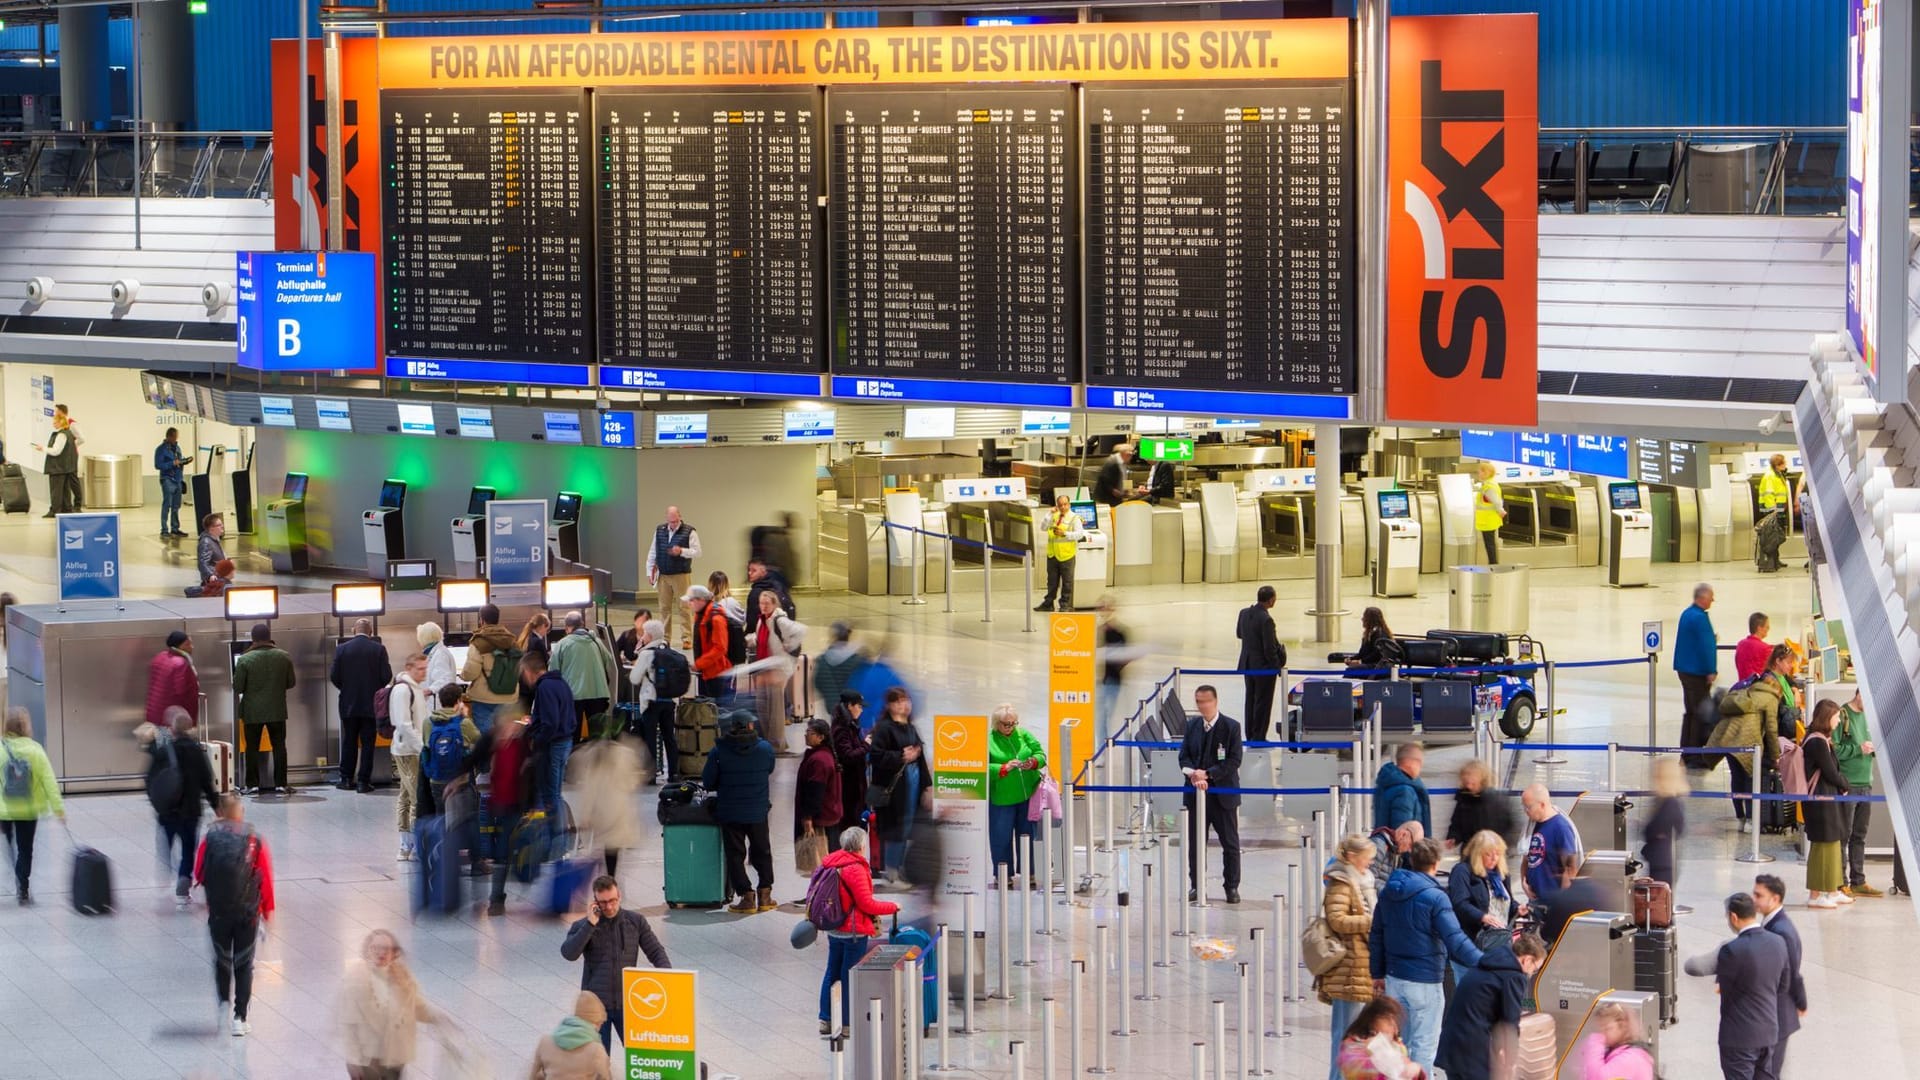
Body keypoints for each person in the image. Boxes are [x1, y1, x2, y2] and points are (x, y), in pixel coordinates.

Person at [1368, 838, 1482, 1073]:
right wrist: (1485, 961)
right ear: (1436, 862)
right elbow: (1456, 940)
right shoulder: (1435, 897)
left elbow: (1376, 934)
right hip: (1425, 981)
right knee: (1424, 1047)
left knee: (1401, 1047)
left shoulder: (1389, 891)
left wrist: (1377, 973)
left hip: (1394, 980)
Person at [1682, 892, 1789, 1080]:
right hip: (1769, 1032)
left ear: (1733, 917)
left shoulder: (1732, 949)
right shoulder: (1779, 942)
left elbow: (1693, 967)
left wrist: (1724, 946)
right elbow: (1784, 985)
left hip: (1739, 1038)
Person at [193, 794, 275, 1037]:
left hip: (218, 913)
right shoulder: (254, 840)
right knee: (244, 964)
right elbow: (266, 880)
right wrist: (268, 912)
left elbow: (199, 873)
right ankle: (240, 1018)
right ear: (240, 813)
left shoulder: (210, 839)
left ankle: (223, 1006)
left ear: (220, 814)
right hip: (247, 914)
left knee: (221, 961)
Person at [561, 875, 671, 1052]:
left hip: (628, 1005)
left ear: (619, 896)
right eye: (603, 903)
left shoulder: (635, 922)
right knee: (598, 1062)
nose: (609, 906)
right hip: (595, 1008)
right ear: (595, 902)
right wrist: (590, 925)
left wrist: (670, 979)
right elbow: (569, 953)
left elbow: (656, 952)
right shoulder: (584, 926)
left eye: (612, 900)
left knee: (640, 1055)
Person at [817, 826, 902, 1037]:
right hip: (853, 932)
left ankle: (826, 1018)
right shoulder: (856, 868)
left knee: (832, 972)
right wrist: (892, 906)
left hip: (833, 926)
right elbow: (867, 904)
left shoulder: (830, 862)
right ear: (861, 846)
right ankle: (846, 1023)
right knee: (849, 976)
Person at [1433, 931, 1548, 1080]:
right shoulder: (1514, 976)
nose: (1532, 973)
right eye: (1535, 968)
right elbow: (1510, 1021)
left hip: (1453, 1044)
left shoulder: (1489, 963)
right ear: (1526, 960)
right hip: (1473, 1052)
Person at [335, 929, 444, 1079]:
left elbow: (416, 1006)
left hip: (394, 1056)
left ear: (394, 953)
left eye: (386, 949)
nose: (381, 953)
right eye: (376, 948)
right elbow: (348, 1025)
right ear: (367, 951)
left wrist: (437, 1017)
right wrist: (353, 1059)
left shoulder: (402, 978)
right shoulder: (354, 981)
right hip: (368, 1059)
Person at [141, 706, 220, 906]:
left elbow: (150, 779)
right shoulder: (197, 752)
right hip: (191, 811)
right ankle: (184, 878)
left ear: (173, 730)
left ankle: (167, 870)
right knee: (188, 848)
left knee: (166, 843)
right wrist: (217, 807)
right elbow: (207, 782)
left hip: (168, 811)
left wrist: (156, 803)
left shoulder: (164, 751)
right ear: (191, 729)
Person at [703, 710, 777, 914]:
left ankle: (746, 897)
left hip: (730, 812)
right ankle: (765, 894)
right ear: (750, 726)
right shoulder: (765, 749)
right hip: (757, 811)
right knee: (762, 850)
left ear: (733, 727)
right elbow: (769, 769)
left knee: (735, 854)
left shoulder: (718, 751)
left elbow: (709, 782)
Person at [1319, 833, 1379, 1080]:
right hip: (1348, 967)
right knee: (1348, 1034)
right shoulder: (1342, 882)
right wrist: (1370, 922)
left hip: (1360, 964)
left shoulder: (1363, 881)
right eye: (1366, 858)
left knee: (1350, 1034)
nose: (1370, 863)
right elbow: (1336, 919)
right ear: (1353, 857)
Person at [1707, 646, 1787, 828]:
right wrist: (1775, 757)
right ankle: (1751, 820)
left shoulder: (1750, 689)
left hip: (1728, 738)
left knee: (1737, 778)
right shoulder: (1771, 699)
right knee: (1751, 778)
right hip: (1747, 741)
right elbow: (1772, 729)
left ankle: (1741, 818)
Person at [1179, 684, 1244, 904]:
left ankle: (1232, 887)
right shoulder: (1192, 726)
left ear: (1215, 701)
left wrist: (1208, 774)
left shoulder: (1231, 727)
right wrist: (1193, 775)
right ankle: (1197, 886)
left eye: (1206, 701)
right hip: (1196, 796)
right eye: (1199, 702)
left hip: (1222, 797)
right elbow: (1184, 756)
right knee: (1196, 844)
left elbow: (1234, 760)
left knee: (1230, 844)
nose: (1203, 706)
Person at [868, 686, 933, 885]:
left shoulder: (911, 728)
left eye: (906, 700)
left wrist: (927, 786)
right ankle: (892, 871)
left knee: (909, 826)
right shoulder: (884, 729)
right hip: (895, 788)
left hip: (912, 785)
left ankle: (903, 869)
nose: (903, 705)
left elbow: (920, 758)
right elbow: (876, 756)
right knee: (897, 828)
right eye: (898, 701)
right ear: (889, 705)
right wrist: (900, 756)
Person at [0, 707, 64, 904]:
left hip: (4, 809)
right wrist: (58, 809)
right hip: (28, 810)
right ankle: (23, 887)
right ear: (26, 727)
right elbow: (49, 781)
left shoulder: (1, 749)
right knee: (26, 849)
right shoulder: (36, 750)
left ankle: (12, 857)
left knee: (9, 842)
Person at [1446, 830, 1526, 983]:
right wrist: (1482, 917)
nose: (1494, 858)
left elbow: (1505, 902)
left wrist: (1517, 908)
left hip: (1497, 944)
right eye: (1489, 854)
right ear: (1477, 853)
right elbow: (1459, 903)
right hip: (1471, 944)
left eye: (1498, 854)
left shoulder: (1502, 874)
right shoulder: (1462, 871)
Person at [565, 726, 643, 881]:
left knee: (602, 852)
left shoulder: (591, 756)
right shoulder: (624, 753)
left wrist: (585, 816)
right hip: (619, 812)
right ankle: (610, 885)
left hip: (602, 812)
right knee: (611, 852)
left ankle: (606, 885)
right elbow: (633, 781)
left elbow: (589, 788)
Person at [232, 622, 296, 796]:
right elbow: (291, 683)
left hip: (252, 711)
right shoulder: (284, 656)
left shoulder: (245, 659)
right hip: (277, 710)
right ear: (269, 636)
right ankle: (281, 784)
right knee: (279, 746)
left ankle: (252, 785)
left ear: (253, 639)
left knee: (252, 747)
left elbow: (237, 687)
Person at [1753, 874, 1807, 1075]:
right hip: (1770, 1015)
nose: (1754, 899)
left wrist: (1801, 1002)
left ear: (1775, 899)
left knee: (1769, 1071)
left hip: (1777, 1015)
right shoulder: (1772, 925)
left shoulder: (1781, 931)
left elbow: (1792, 972)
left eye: (1759, 895)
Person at [331, 618, 393, 794]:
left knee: (349, 740)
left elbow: (334, 676)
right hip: (371, 704)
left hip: (348, 703)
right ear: (371, 631)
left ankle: (346, 779)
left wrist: (346, 688)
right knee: (368, 743)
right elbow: (386, 675)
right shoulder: (379, 649)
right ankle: (363, 782)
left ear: (353, 630)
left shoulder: (341, 649)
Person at [1800, 699, 1852, 909]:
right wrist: (1844, 783)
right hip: (1820, 800)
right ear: (1826, 717)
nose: (1839, 721)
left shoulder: (1821, 739)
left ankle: (1832, 890)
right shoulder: (1816, 742)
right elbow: (1830, 771)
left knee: (1832, 843)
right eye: (1836, 717)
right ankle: (1815, 895)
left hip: (1827, 798)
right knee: (1822, 845)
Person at [986, 704, 1046, 881]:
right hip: (1002, 798)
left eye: (1013, 723)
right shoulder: (988, 740)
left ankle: (1030, 872)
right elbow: (982, 767)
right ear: (996, 723)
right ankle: (1003, 875)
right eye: (1006, 724)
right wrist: (1004, 768)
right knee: (1001, 837)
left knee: (1028, 835)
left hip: (1027, 795)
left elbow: (1040, 753)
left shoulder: (1023, 734)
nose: (1010, 727)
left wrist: (1034, 762)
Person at [1833, 689, 1882, 897]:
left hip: (1866, 784)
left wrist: (1874, 750)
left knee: (1859, 835)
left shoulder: (1870, 717)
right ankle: (1840, 882)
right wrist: (1857, 749)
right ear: (1859, 693)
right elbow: (1834, 749)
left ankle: (1858, 880)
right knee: (1844, 835)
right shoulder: (1842, 715)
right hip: (1848, 785)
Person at [747, 586, 807, 750]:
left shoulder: (779, 620)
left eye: (767, 603)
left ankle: (777, 745)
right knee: (763, 707)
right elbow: (762, 640)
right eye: (761, 603)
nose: (763, 606)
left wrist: (788, 646)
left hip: (777, 670)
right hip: (765, 668)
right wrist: (751, 639)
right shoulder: (762, 620)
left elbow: (801, 630)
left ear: (774, 604)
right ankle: (769, 741)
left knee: (775, 709)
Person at [388, 652, 435, 862]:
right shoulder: (403, 690)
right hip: (407, 750)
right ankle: (412, 846)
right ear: (409, 668)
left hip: (410, 748)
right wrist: (422, 746)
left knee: (406, 797)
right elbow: (404, 724)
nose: (424, 672)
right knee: (416, 798)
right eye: (420, 669)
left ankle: (407, 845)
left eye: (426, 668)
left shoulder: (414, 689)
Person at [524, 651, 578, 826]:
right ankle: (559, 834)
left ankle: (557, 838)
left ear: (530, 671)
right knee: (555, 791)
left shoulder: (545, 687)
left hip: (554, 744)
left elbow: (550, 723)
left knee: (550, 793)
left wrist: (536, 740)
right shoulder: (560, 683)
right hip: (564, 741)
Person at [625, 618, 677, 782]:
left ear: (651, 636)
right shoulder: (671, 651)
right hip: (669, 701)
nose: (642, 636)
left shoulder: (646, 654)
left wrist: (638, 650)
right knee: (669, 737)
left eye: (645, 634)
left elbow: (634, 678)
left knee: (650, 738)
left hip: (650, 702)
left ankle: (651, 775)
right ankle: (673, 773)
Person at [553, 610, 616, 740]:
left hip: (573, 696)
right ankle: (597, 760)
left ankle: (574, 760)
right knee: (597, 736)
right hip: (598, 694)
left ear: (567, 627)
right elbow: (609, 660)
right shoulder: (596, 642)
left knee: (573, 736)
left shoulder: (562, 644)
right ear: (582, 624)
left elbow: (553, 671)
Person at [1676, 582, 1720, 767]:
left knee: (1690, 712)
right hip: (1696, 672)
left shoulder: (1687, 614)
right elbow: (1705, 646)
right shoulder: (1700, 618)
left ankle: (1686, 752)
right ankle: (1693, 755)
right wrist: (1711, 669)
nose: (1712, 601)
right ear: (1702, 598)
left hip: (1685, 670)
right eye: (1711, 598)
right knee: (1698, 714)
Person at [460, 604, 521, 734]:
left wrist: (463, 676)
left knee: (485, 739)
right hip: (509, 697)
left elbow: (471, 673)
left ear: (481, 620)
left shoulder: (477, 643)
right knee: (505, 738)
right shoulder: (513, 642)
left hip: (484, 699)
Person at [1235, 586, 1285, 742]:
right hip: (1263, 668)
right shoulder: (1266, 620)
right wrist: (1276, 666)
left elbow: (1239, 634)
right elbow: (1269, 648)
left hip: (1248, 665)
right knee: (1262, 703)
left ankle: (1250, 734)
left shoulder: (1243, 613)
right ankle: (1259, 736)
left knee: (1250, 699)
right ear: (1271, 600)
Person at [1335, 995, 1426, 1080]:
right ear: (1372, 1026)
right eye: (1389, 1024)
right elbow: (1353, 1068)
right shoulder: (1354, 1045)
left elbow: (1406, 1068)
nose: (1395, 1029)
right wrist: (1375, 1056)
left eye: (1395, 1024)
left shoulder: (1396, 1046)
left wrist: (1416, 1070)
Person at [647, 505, 701, 648]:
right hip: (663, 575)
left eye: (675, 521)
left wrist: (682, 551)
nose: (673, 524)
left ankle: (687, 638)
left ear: (680, 517)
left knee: (684, 607)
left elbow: (697, 552)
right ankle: (665, 638)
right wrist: (649, 571)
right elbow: (653, 551)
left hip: (681, 575)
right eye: (670, 521)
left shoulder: (690, 531)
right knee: (664, 608)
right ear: (667, 519)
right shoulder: (659, 530)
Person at [530, 992, 615, 1080]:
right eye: (600, 1023)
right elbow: (606, 1077)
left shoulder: (545, 1042)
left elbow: (533, 1076)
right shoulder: (596, 1050)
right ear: (595, 1022)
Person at [1521, 783, 1582, 906]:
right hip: (1535, 899)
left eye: (1529, 807)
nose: (1526, 812)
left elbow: (1570, 867)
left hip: (1552, 902)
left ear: (1542, 805)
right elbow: (1527, 856)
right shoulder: (1533, 824)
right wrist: (1524, 882)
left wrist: (1562, 901)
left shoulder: (1560, 828)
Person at [1537, 855, 1615, 946]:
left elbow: (1547, 934)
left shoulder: (1561, 898)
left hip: (1569, 951)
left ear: (1569, 870)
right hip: (1601, 947)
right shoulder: (1604, 892)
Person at [1573, 1000, 1658, 1080]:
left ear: (1623, 1026)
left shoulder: (1631, 1058)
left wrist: (1594, 1042)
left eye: (1607, 1028)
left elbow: (1597, 1078)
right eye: (1600, 1028)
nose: (1602, 1033)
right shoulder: (1621, 1052)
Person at [796, 719, 842, 860]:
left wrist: (808, 817)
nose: (806, 735)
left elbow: (815, 792)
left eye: (810, 733)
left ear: (821, 737)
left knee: (823, 860)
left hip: (821, 819)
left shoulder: (819, 760)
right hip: (829, 815)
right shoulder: (823, 755)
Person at [1445, 760, 1517, 851]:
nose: (1469, 787)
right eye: (1467, 783)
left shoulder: (1495, 800)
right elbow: (1456, 824)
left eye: (1473, 783)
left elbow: (1507, 827)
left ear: (1482, 780)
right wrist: (1453, 838)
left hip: (1491, 851)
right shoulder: (1463, 799)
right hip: (1470, 850)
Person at [827, 692, 869, 844]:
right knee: (850, 826)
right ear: (849, 706)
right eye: (858, 706)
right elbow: (848, 755)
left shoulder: (851, 725)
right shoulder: (841, 728)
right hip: (849, 787)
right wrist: (866, 745)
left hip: (855, 786)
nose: (861, 710)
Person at [1642, 757, 1689, 890]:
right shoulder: (1666, 801)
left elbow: (1652, 830)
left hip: (1662, 862)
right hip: (1662, 860)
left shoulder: (1670, 803)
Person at [685, 585, 735, 702]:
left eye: (691, 600)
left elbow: (720, 648)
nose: (689, 604)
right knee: (706, 709)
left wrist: (699, 664)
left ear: (701, 600)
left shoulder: (715, 619)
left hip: (716, 673)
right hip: (706, 671)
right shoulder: (701, 615)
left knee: (716, 710)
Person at [1035, 494, 1083, 613]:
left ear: (1069, 504)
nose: (1063, 507)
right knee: (1051, 582)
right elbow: (1043, 527)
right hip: (1052, 555)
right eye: (1060, 505)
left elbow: (1080, 534)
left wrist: (1065, 534)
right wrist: (1049, 514)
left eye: (1065, 504)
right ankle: (1048, 603)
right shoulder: (1054, 516)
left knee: (1067, 582)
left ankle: (1065, 605)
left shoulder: (1074, 518)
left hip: (1067, 555)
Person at [146, 629, 200, 728]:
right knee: (174, 743)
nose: (192, 647)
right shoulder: (180, 664)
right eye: (188, 644)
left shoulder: (160, 657)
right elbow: (182, 694)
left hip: (155, 715)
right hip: (172, 721)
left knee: (161, 742)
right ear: (180, 646)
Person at [1373, 743, 1431, 835]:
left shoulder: (1386, 782)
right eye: (1419, 762)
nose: (1420, 767)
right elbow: (1403, 835)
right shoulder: (1405, 791)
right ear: (1410, 762)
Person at [813, 621, 866, 720]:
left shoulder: (823, 659)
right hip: (854, 708)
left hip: (832, 709)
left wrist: (830, 697)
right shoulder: (857, 660)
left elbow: (818, 683)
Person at [34, 406, 77, 515]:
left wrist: (42, 448)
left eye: (55, 421)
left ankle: (55, 511)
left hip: (57, 468)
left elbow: (56, 451)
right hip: (65, 468)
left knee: (56, 491)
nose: (53, 424)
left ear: (60, 423)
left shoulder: (61, 435)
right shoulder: (69, 434)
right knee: (65, 491)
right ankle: (67, 509)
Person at [1755, 454, 1794, 572]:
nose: (1786, 465)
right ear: (1777, 465)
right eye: (1784, 463)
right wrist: (1773, 511)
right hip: (1771, 511)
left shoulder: (1778, 475)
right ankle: (1771, 561)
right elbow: (1768, 494)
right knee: (1772, 536)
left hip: (1779, 510)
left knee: (1776, 536)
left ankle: (1776, 560)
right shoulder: (1770, 476)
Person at [743, 557, 795, 638]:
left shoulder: (756, 593)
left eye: (754, 570)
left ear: (763, 571)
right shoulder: (779, 586)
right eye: (749, 570)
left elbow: (752, 622)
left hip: (765, 637)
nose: (749, 573)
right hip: (784, 635)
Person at [154, 426, 189, 537]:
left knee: (176, 506)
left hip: (178, 479)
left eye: (176, 437)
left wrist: (184, 462)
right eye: (174, 437)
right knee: (167, 504)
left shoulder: (177, 448)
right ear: (169, 436)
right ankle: (164, 530)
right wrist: (172, 464)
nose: (176, 439)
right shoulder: (161, 449)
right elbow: (158, 465)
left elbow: (179, 462)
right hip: (167, 479)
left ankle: (175, 528)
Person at [1348, 607, 1404, 671]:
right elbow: (1362, 653)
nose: (1362, 619)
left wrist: (1360, 662)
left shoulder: (1380, 635)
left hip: (1378, 666)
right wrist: (1351, 659)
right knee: (1351, 669)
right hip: (1372, 664)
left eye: (1364, 617)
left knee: (1351, 670)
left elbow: (1377, 655)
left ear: (1369, 620)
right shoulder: (1369, 634)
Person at [1472, 461, 1505, 565]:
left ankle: (1493, 564)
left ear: (1486, 473)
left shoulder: (1488, 486)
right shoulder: (1490, 484)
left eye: (1480, 472)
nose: (1479, 474)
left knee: (1489, 544)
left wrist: (1501, 511)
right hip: (1489, 519)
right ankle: (1493, 563)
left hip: (1488, 520)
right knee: (1490, 543)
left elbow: (1496, 501)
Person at [1095, 440, 1140, 506]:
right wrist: (1115, 492)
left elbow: (1124, 476)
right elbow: (1104, 481)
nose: (1131, 457)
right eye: (1129, 455)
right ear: (1124, 453)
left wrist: (1127, 490)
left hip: (1116, 498)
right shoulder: (1112, 462)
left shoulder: (1123, 462)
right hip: (1106, 499)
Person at [417, 621, 458, 694]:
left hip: (437, 702)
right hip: (433, 701)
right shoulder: (436, 653)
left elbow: (444, 679)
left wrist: (429, 690)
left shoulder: (440, 654)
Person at [192, 513, 227, 594]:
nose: (222, 526)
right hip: (214, 581)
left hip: (219, 578)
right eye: (219, 525)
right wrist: (210, 575)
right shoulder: (206, 542)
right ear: (211, 528)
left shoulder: (213, 539)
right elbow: (202, 562)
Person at [1734, 612, 1772, 682]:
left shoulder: (1740, 644)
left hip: (1742, 686)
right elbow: (1773, 672)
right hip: (1758, 688)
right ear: (1759, 628)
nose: (1769, 628)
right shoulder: (1765, 648)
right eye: (1767, 626)